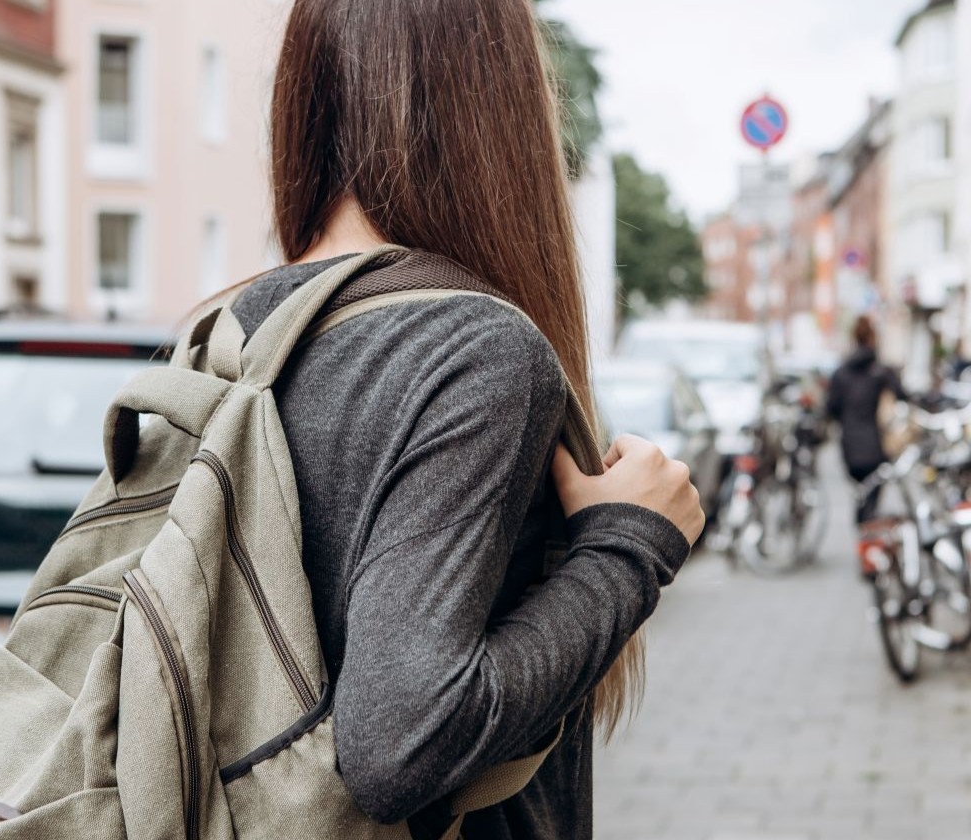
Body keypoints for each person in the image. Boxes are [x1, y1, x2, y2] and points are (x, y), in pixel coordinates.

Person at [213, 1, 705, 837]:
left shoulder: (231, 329)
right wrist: (629, 545)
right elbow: (400, 742)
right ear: (499, 109)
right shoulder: (472, 349)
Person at [827, 316, 908, 524]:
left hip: (849, 446)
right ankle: (867, 535)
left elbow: (831, 409)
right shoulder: (881, 371)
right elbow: (903, 396)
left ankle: (864, 533)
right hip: (875, 444)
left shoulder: (841, 372)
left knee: (862, 496)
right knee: (871, 497)